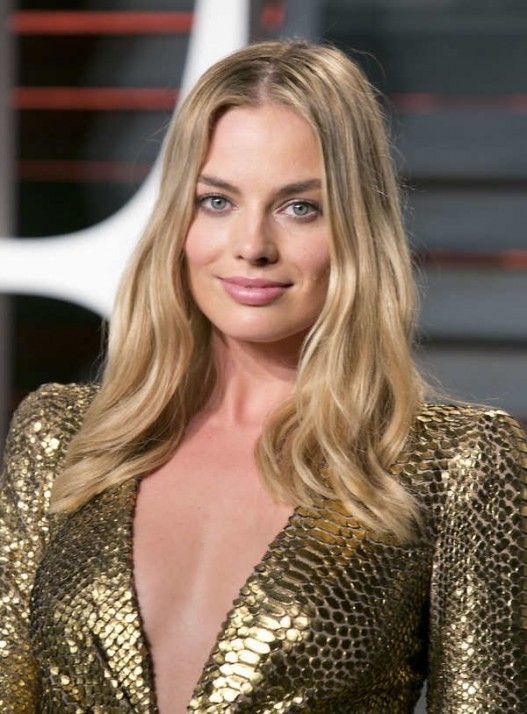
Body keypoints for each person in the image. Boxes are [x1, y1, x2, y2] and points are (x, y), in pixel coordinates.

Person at [0, 40, 525, 714]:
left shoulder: (454, 464)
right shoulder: (62, 437)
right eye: (216, 201)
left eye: (299, 207)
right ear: (177, 219)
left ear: (358, 230)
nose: (251, 246)